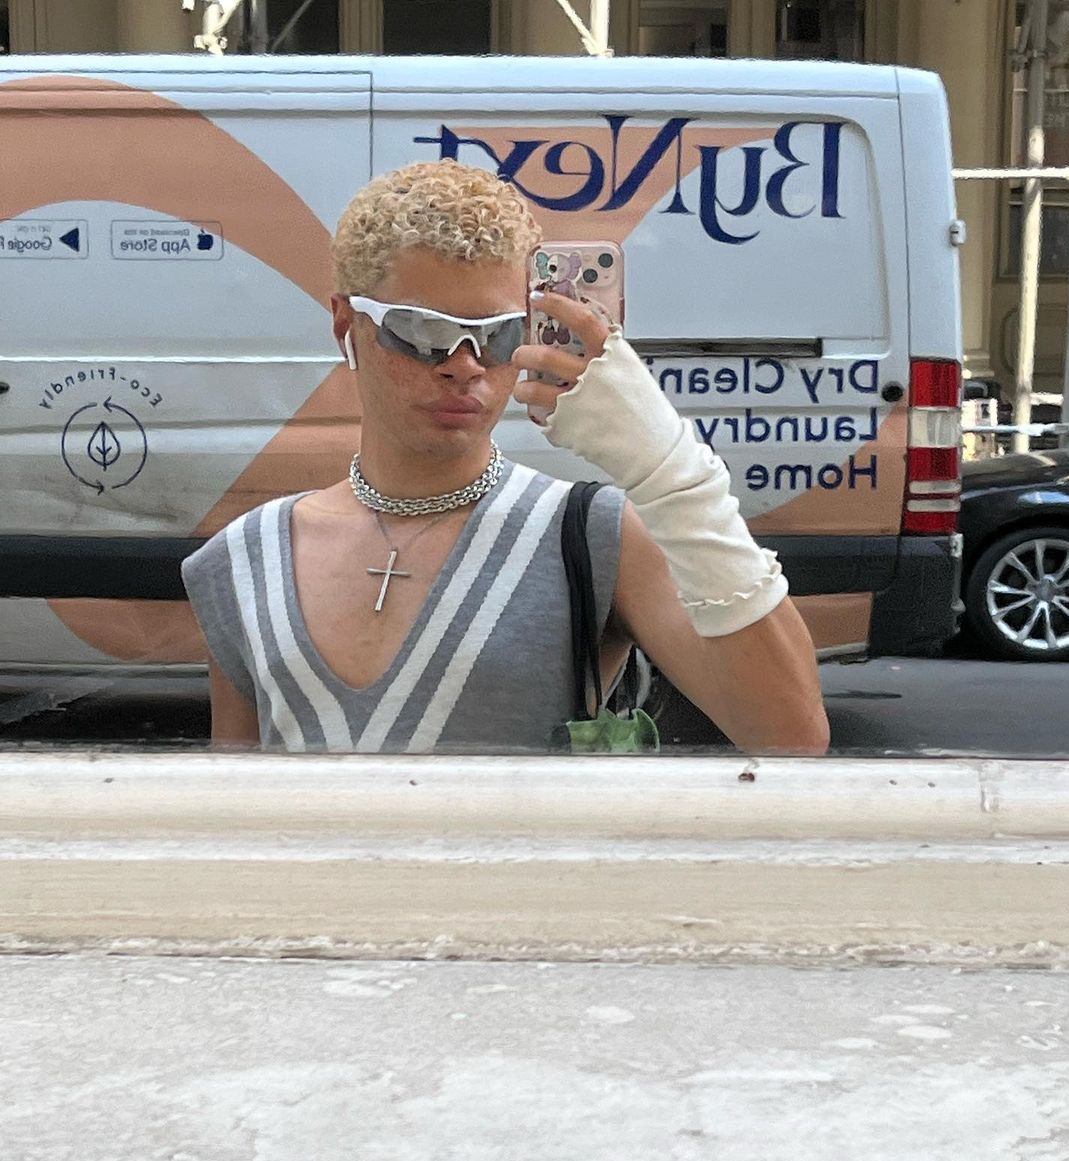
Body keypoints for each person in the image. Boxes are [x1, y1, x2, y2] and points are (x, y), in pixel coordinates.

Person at [181, 160, 829, 755]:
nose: (464, 366)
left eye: (499, 336)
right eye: (425, 331)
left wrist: (667, 465)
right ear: (348, 326)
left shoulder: (592, 536)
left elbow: (791, 735)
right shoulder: (247, 560)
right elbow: (229, 808)